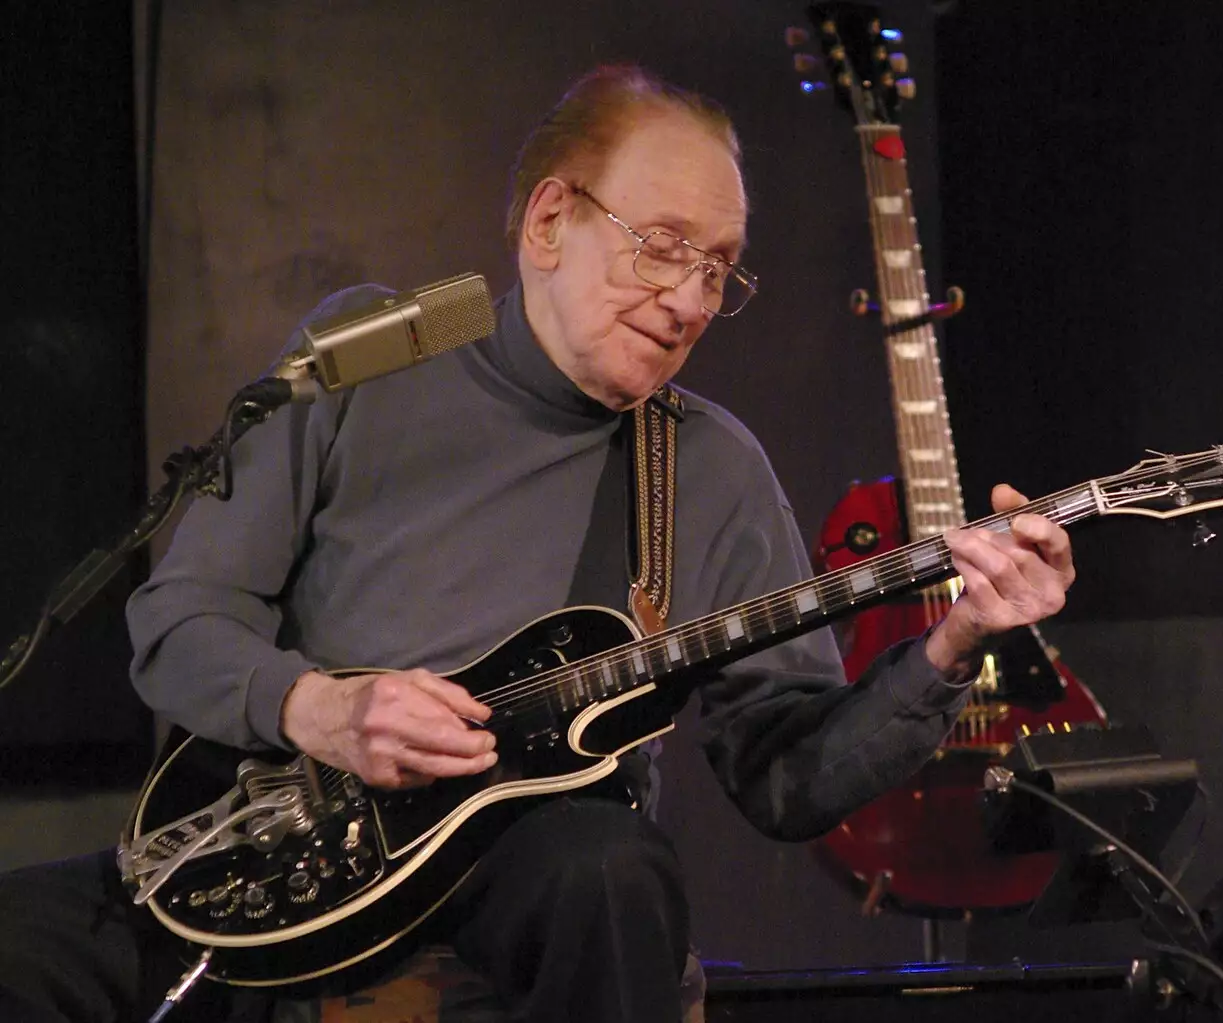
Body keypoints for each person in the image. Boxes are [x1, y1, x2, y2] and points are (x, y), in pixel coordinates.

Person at [0, 65, 1075, 1023]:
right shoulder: (361, 360)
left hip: (518, 881)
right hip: (264, 838)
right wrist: (317, 709)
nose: (691, 299)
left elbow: (786, 778)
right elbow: (180, 623)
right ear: (550, 220)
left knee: (605, 867)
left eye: (720, 269)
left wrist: (953, 644)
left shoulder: (707, 468)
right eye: (663, 249)